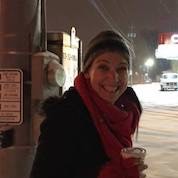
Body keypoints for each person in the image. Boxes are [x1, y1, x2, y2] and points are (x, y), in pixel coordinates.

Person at [30, 30, 147, 178]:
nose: (114, 77)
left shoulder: (123, 116)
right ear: (87, 72)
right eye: (103, 67)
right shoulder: (65, 117)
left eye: (121, 68)